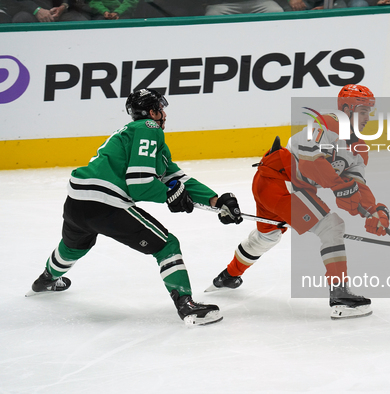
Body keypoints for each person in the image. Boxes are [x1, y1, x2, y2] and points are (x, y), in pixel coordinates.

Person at [26, 88, 243, 326]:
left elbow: (176, 178)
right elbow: (139, 184)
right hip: (106, 204)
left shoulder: (133, 135)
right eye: (160, 109)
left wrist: (215, 200)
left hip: (76, 202)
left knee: (74, 246)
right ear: (152, 112)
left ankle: (46, 279)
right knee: (167, 245)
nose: (163, 114)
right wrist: (169, 196)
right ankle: (187, 306)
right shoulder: (149, 129)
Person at [207, 84, 390, 320]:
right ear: (347, 107)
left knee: (267, 236)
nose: (367, 117)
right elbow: (309, 161)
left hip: (277, 184)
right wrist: (339, 186)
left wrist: (373, 211)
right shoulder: (326, 124)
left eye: (369, 112)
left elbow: (356, 189)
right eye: (363, 110)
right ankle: (340, 295)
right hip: (279, 181)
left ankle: (228, 277)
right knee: (331, 226)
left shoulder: (359, 148)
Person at [10, 0, 88, 22]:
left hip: (58, 15)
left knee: (80, 20)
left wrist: (63, 6)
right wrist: (36, 10)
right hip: (31, 13)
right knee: (21, 18)